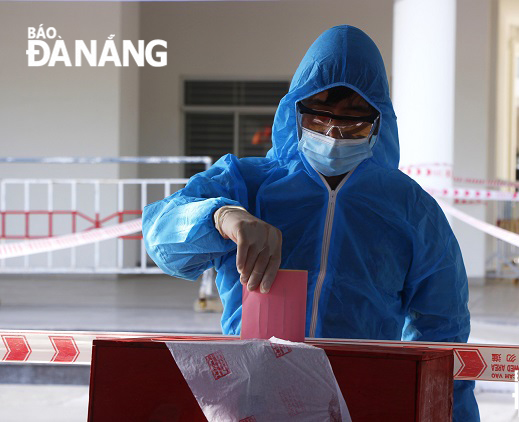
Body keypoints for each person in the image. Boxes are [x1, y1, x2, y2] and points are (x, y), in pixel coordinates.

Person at [142, 25, 479, 421]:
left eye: (353, 122)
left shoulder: (411, 211)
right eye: (319, 118)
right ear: (295, 111)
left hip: (361, 400)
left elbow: (444, 335)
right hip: (252, 402)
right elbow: (161, 239)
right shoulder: (247, 183)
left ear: (380, 123)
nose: (334, 133)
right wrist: (220, 215)